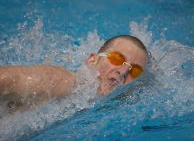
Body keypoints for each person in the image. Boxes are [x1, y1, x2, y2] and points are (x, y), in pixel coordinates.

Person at [0, 35, 149, 110]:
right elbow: (6, 80)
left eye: (134, 71)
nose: (123, 71)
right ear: (92, 61)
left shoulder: (119, 107)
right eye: (117, 58)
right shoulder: (64, 81)